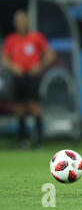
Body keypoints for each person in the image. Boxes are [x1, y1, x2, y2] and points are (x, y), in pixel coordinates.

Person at [1, 10, 55, 149]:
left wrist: (40, 65)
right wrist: (13, 66)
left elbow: (50, 54)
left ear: (28, 22)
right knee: (19, 108)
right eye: (19, 21)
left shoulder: (36, 37)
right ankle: (22, 140)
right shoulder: (11, 39)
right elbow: (4, 58)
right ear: (15, 24)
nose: (22, 24)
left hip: (32, 76)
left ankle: (38, 140)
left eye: (24, 21)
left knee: (34, 106)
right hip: (18, 77)